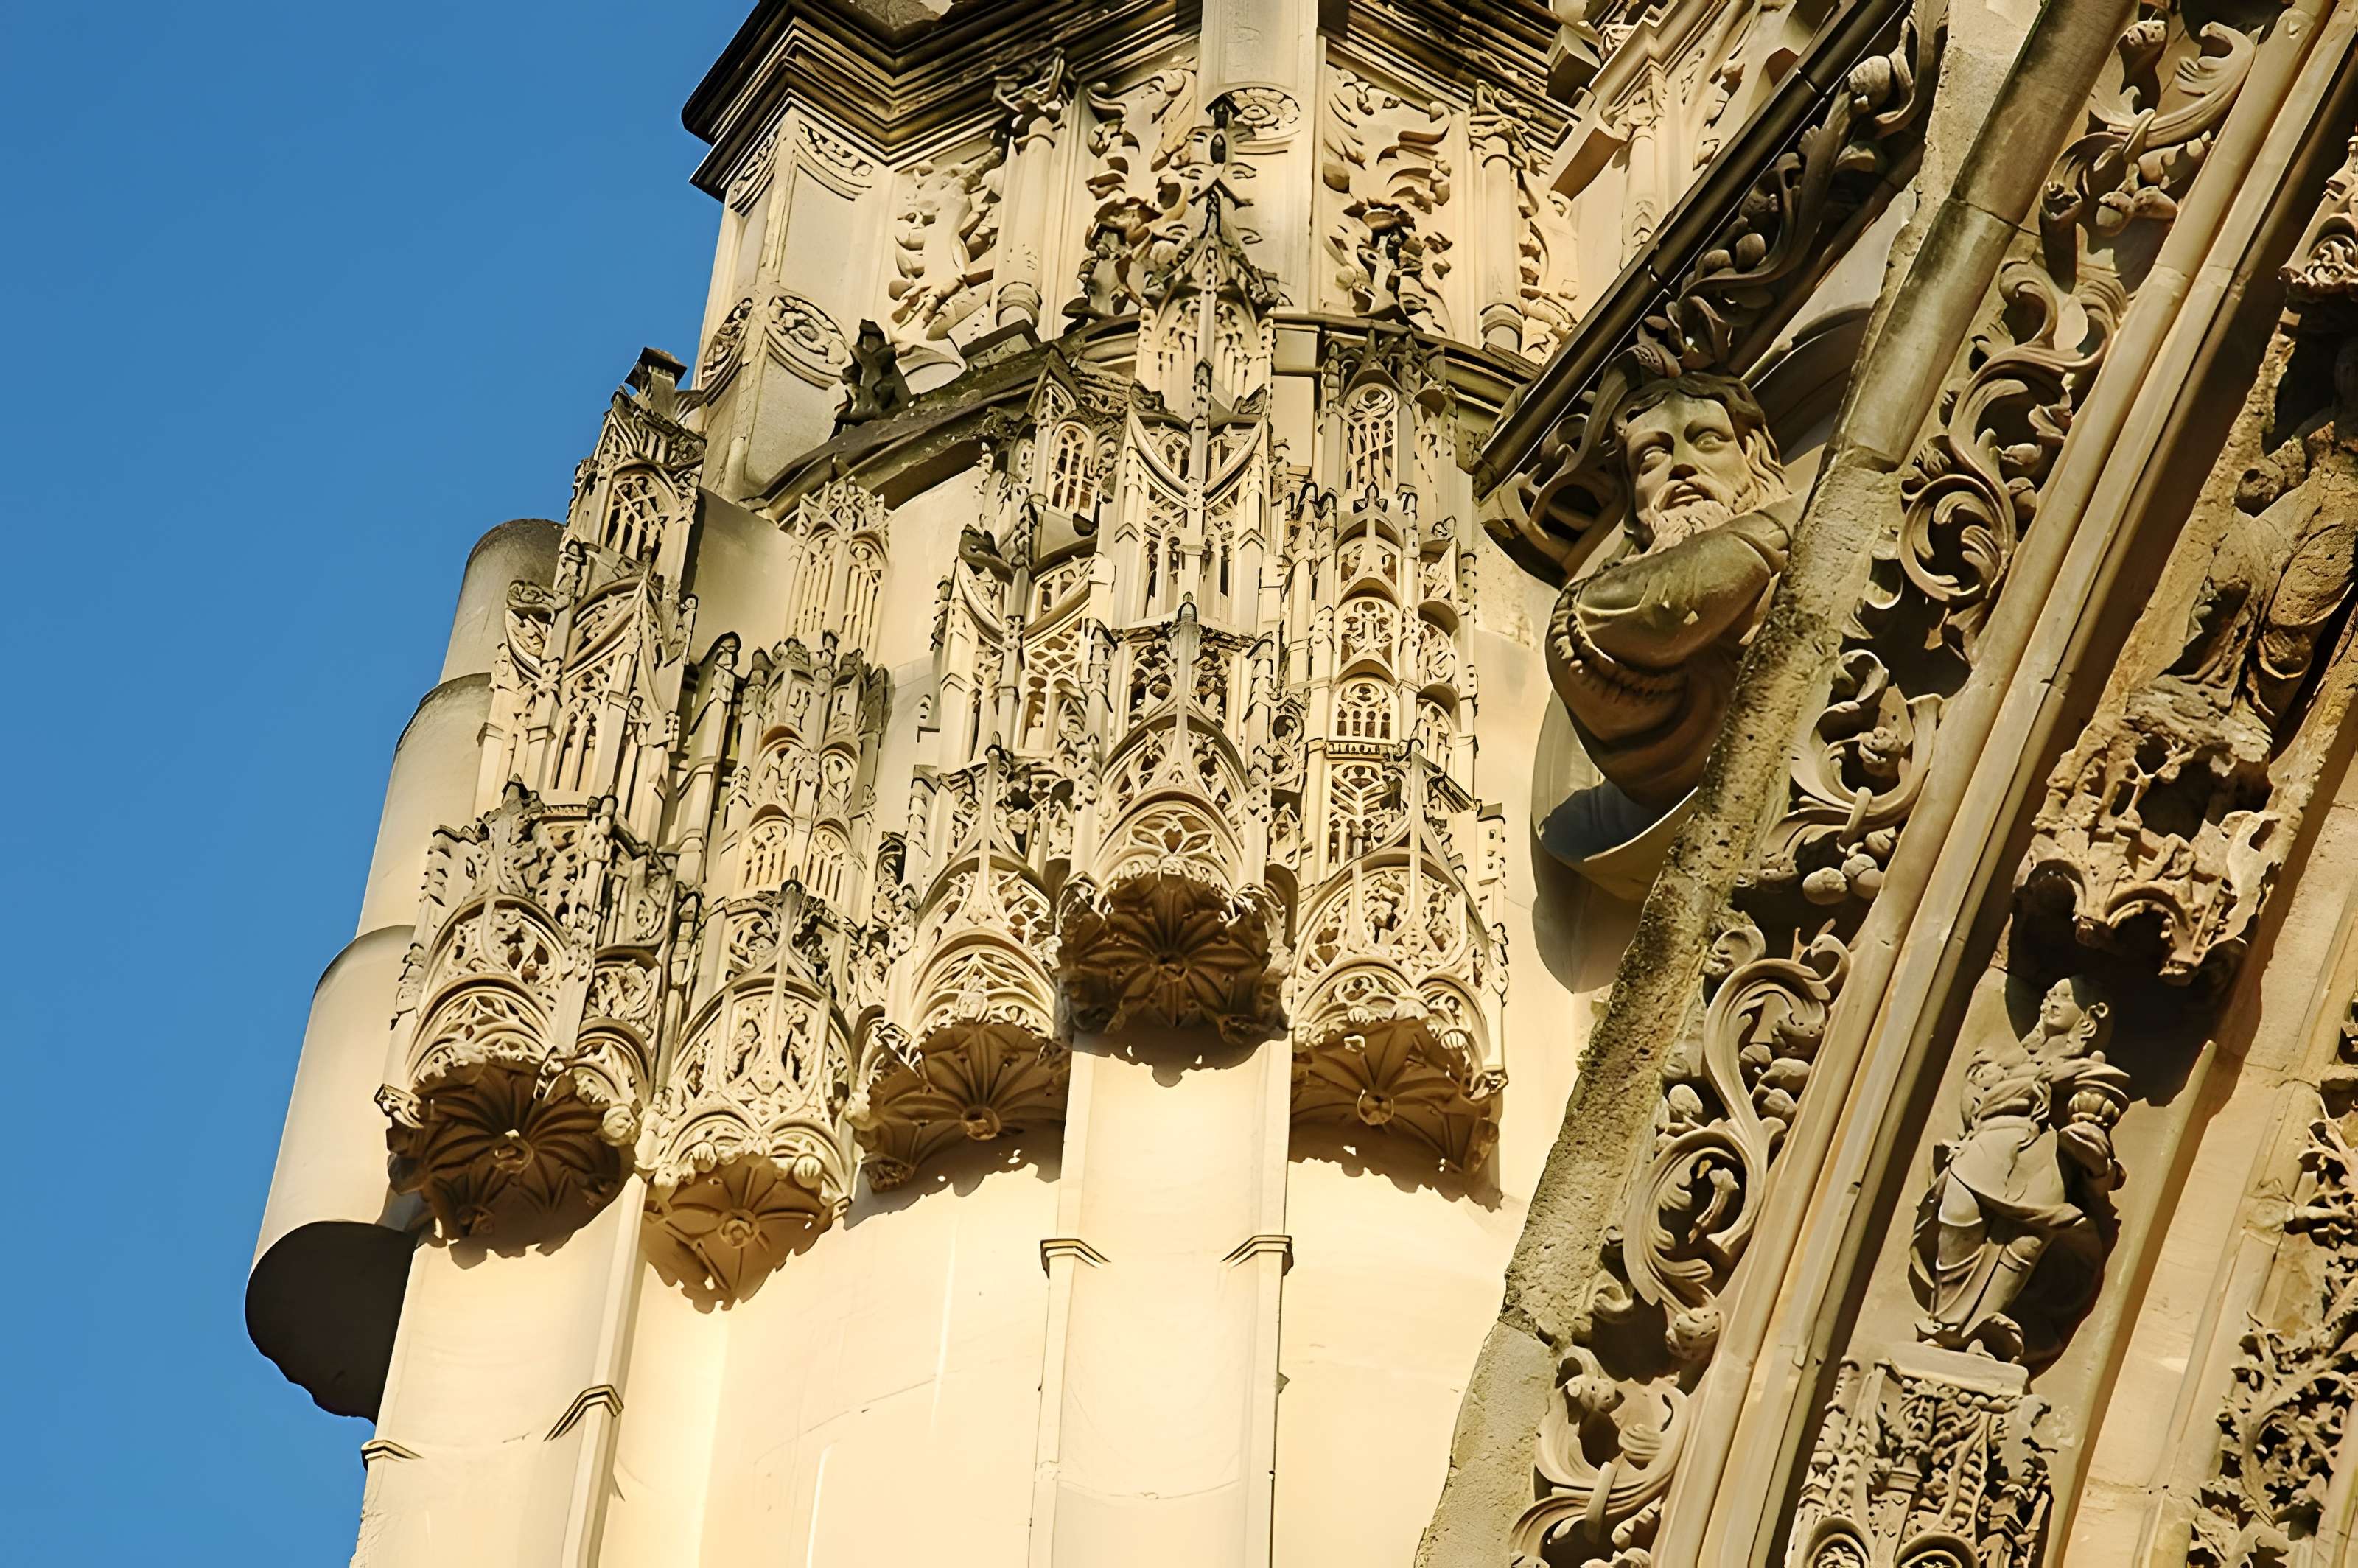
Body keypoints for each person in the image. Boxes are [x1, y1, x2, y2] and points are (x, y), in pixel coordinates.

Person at [1545, 373, 1793, 808]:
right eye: (1650, 458)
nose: (1680, 464)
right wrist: (1792, 519)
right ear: (1635, 506)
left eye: (1708, 440)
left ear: (1755, 456)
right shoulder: (1588, 614)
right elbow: (1665, 606)